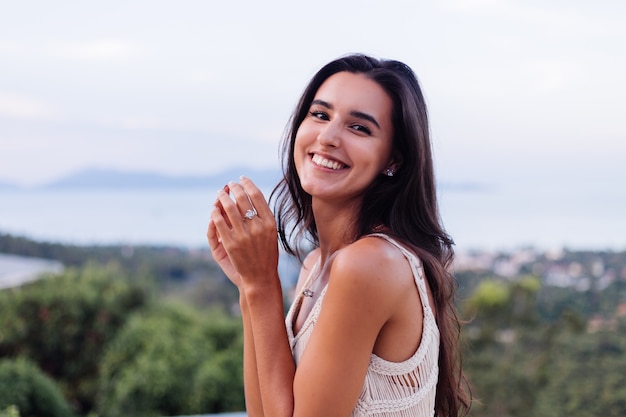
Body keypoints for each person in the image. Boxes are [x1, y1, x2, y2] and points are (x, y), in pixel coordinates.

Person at [208, 54, 471, 417]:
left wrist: (263, 284)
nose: (328, 137)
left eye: (359, 128)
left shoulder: (369, 264)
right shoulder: (316, 266)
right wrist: (249, 286)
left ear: (393, 160)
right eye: (320, 115)